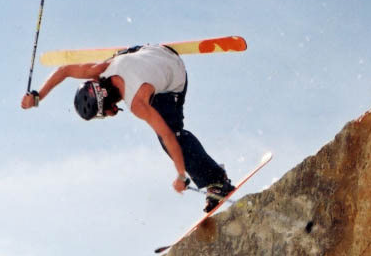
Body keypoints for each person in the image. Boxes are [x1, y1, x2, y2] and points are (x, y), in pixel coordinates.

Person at [21, 43, 234, 212]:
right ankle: (129, 54)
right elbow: (64, 70)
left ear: (106, 106)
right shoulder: (100, 70)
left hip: (174, 77)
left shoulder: (138, 103)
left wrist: (180, 175)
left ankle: (216, 180)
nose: (109, 115)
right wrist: (37, 96)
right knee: (121, 60)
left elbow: (168, 136)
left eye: (103, 114)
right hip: (151, 51)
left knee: (173, 136)